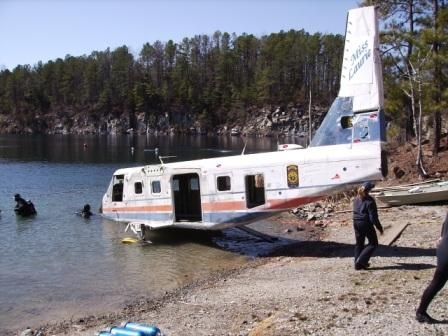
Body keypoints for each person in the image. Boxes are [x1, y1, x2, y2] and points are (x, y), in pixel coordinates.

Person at [416, 212, 448, 323]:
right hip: (446, 250)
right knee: (437, 282)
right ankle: (420, 312)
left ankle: (421, 312)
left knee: (437, 283)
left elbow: (445, 223)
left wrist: (441, 236)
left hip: (444, 246)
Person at [352, 181, 383, 270]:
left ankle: (357, 265)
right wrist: (379, 228)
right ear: (369, 190)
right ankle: (361, 261)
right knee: (373, 243)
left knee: (359, 243)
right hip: (365, 223)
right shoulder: (370, 200)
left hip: (355, 222)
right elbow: (373, 218)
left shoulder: (356, 198)